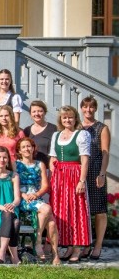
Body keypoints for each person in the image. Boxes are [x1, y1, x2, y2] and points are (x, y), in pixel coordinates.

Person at [49, 106, 91, 263]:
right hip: (60, 177)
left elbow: (85, 160)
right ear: (61, 119)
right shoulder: (56, 135)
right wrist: (53, 174)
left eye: (70, 117)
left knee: (76, 210)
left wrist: (81, 180)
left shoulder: (81, 135)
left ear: (75, 119)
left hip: (74, 174)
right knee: (62, 211)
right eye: (64, 118)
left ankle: (78, 247)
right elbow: (53, 158)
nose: (67, 120)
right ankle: (68, 246)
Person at [16, 137, 60, 265]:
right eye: (23, 147)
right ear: (19, 150)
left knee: (51, 223)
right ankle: (39, 242)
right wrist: (23, 194)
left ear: (33, 148)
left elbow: (45, 186)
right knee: (47, 209)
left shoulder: (40, 164)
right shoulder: (15, 164)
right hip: (21, 198)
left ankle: (53, 253)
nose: (26, 149)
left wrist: (36, 194)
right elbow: (12, 183)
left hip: (36, 197)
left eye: (29, 146)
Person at [81, 96, 111, 260]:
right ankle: (86, 244)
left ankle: (98, 245)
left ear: (95, 109)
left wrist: (102, 173)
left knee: (99, 210)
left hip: (96, 170)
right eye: (85, 107)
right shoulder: (77, 126)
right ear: (81, 109)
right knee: (83, 211)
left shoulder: (102, 128)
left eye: (91, 107)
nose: (88, 110)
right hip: (81, 172)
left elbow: (105, 152)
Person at [23, 100, 56, 168]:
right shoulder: (26, 131)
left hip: (48, 168)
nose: (37, 114)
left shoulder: (53, 129)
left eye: (40, 111)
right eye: (34, 111)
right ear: (30, 114)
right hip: (31, 169)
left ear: (45, 112)